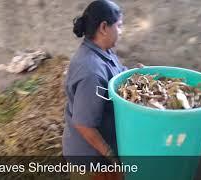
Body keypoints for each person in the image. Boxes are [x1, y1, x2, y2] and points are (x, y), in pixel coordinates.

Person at [62, 1, 143, 177]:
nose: (121, 32)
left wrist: (135, 76)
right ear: (104, 27)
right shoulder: (91, 71)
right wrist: (112, 158)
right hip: (91, 160)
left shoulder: (104, 51)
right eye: (119, 26)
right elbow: (84, 125)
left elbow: (116, 78)